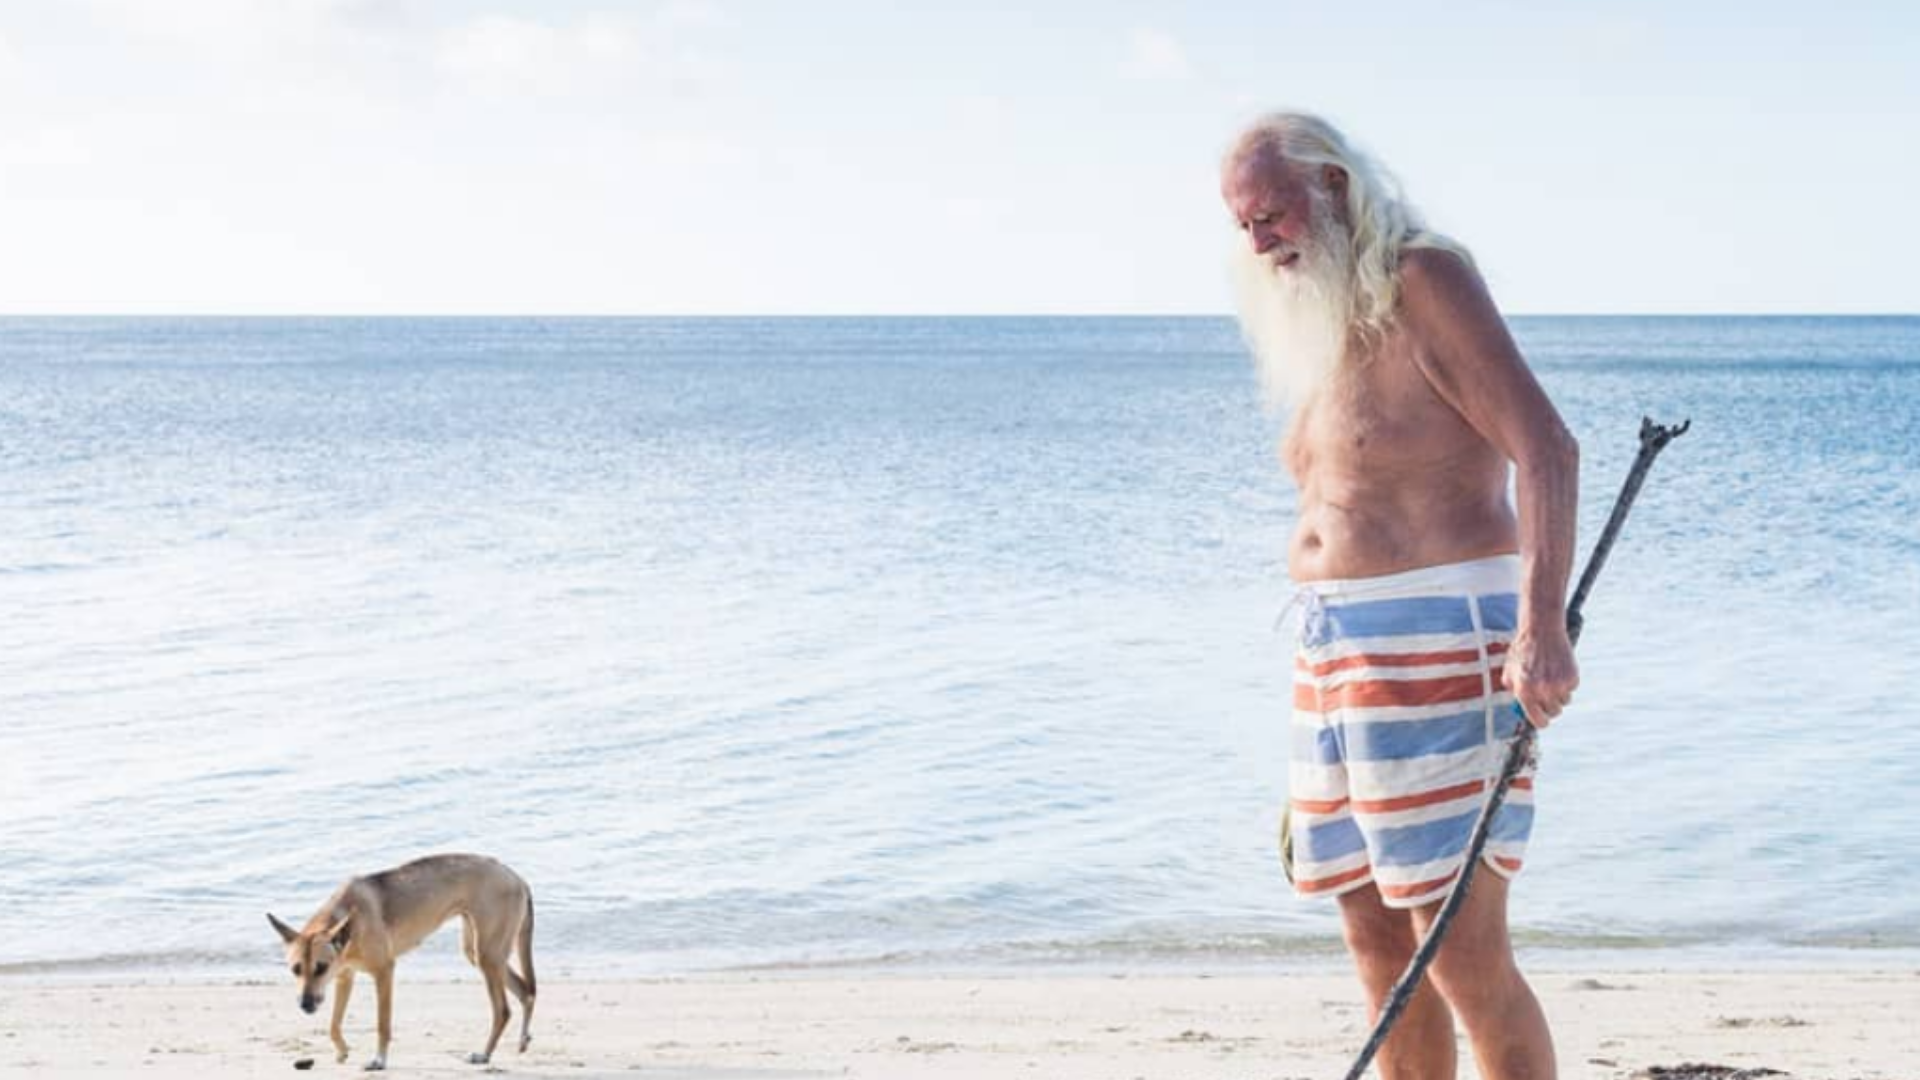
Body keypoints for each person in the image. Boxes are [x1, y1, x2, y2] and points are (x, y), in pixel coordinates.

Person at [1221, 111, 1578, 1080]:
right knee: (1376, 945)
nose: (1259, 242)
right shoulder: (1328, 320)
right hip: (1333, 656)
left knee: (1457, 949)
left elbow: (1545, 447)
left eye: (1271, 213)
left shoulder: (1424, 278)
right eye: (1243, 225)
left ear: (1333, 185)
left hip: (1440, 643)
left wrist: (1542, 628)